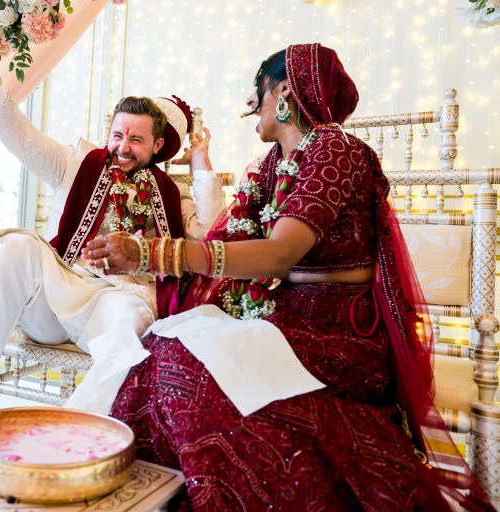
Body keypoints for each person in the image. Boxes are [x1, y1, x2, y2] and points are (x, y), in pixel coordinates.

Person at [83, 44, 493, 511]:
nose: (249, 104)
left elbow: (277, 256)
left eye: (256, 91)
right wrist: (152, 258)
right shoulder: (274, 164)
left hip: (338, 333)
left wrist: (157, 251)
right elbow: (231, 241)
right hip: (284, 318)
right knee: (159, 347)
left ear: (283, 92)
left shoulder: (336, 150)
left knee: (186, 364)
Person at [0, 19, 224, 443]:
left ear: (158, 147)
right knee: (13, 246)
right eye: (118, 134)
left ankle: (71, 441)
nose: (123, 146)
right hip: (61, 289)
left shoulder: (174, 196)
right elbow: (17, 134)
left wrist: (201, 161)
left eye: (136, 139)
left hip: (120, 302)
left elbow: (216, 235)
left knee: (135, 324)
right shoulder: (76, 166)